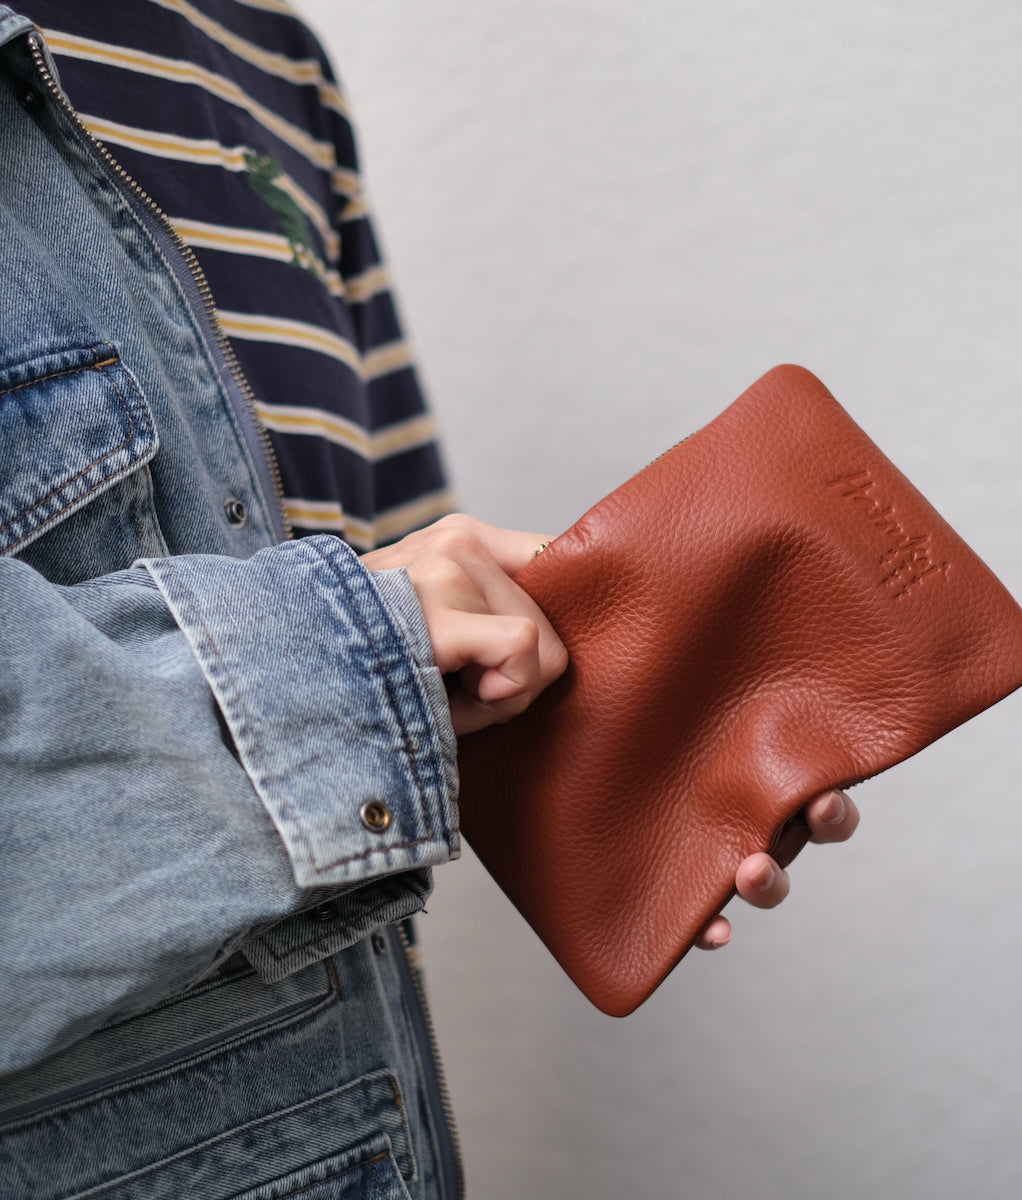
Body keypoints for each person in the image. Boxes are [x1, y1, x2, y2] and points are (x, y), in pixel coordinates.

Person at [0, 3, 861, 1197]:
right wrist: (352, 662)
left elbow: (410, 626)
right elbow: (366, 646)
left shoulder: (273, 65)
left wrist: (629, 739)